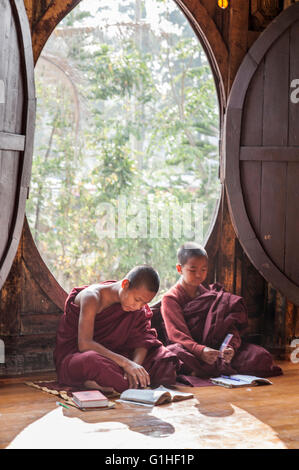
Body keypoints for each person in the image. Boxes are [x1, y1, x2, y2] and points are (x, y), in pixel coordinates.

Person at [160, 242, 282, 380]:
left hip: (215, 351)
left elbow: (227, 325)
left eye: (204, 269)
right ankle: (213, 369)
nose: (199, 275)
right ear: (179, 269)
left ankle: (205, 371)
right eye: (193, 270)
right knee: (173, 353)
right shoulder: (170, 298)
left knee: (261, 356)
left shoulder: (210, 295)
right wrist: (201, 351)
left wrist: (230, 347)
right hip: (191, 351)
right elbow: (177, 335)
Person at [54, 265, 181, 394]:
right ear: (125, 284)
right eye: (137, 300)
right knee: (91, 361)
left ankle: (111, 384)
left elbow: (143, 339)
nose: (138, 307)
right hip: (80, 355)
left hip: (116, 355)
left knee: (165, 363)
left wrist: (135, 367)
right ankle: (107, 382)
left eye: (144, 303)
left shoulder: (135, 307)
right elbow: (84, 344)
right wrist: (126, 364)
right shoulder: (92, 297)